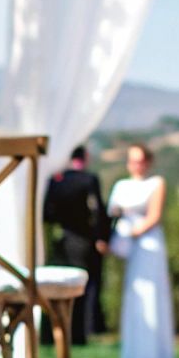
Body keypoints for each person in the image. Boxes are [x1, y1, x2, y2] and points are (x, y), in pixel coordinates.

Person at [108, 143, 175, 358]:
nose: (135, 165)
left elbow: (154, 216)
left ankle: (155, 356)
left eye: (139, 160)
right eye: (131, 160)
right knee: (134, 296)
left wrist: (133, 232)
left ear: (147, 162)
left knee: (151, 296)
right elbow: (113, 215)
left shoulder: (156, 183)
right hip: (128, 245)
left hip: (148, 245)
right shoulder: (121, 186)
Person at [42, 145, 110, 343]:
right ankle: (82, 333)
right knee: (84, 287)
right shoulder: (89, 180)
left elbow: (48, 212)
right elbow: (98, 211)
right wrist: (101, 237)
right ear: (85, 158)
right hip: (83, 240)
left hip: (61, 240)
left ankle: (55, 331)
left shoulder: (55, 181)